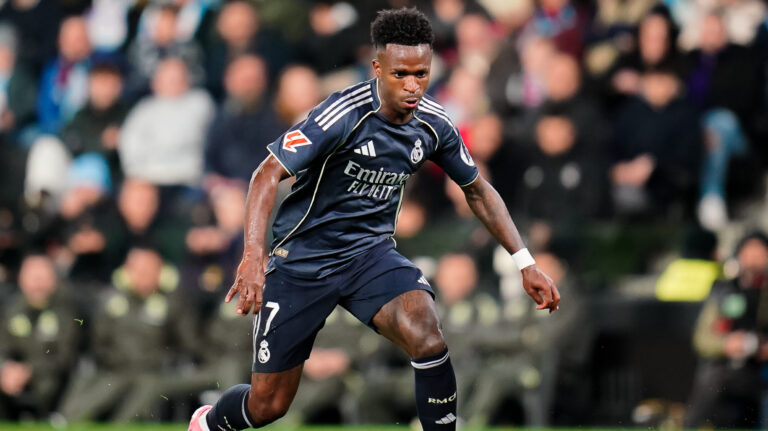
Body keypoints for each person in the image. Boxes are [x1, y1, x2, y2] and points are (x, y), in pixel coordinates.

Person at [188, 8, 559, 431]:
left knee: (427, 333)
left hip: (369, 256)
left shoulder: (434, 124)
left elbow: (477, 189)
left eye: (421, 73)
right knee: (268, 406)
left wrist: (525, 262)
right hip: (303, 261)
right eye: (401, 73)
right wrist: (253, 257)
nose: (413, 85)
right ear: (377, 67)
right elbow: (265, 173)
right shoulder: (341, 114)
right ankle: (210, 422)